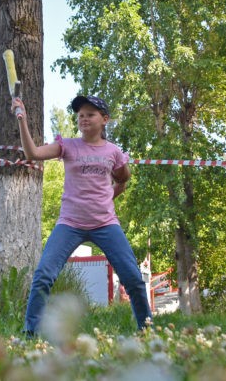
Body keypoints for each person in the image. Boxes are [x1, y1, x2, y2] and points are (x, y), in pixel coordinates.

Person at [11, 93, 152, 336]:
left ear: (104, 119)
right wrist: (21, 118)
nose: (84, 118)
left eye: (90, 114)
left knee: (133, 279)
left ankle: (147, 331)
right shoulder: (68, 146)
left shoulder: (113, 152)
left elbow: (123, 178)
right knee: (43, 275)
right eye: (81, 115)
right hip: (70, 223)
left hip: (106, 224)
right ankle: (30, 333)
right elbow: (33, 153)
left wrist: (110, 198)